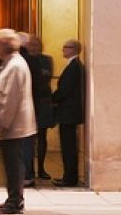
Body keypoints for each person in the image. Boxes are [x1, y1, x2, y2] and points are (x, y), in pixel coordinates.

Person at [0, 27, 36, 215]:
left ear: (3, 45)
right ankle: (13, 199)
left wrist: (1, 124)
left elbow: (11, 99)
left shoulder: (15, 66)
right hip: (14, 123)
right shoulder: (12, 63)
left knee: (13, 163)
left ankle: (15, 201)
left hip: (14, 125)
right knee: (11, 162)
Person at [52, 37, 85, 187]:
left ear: (74, 49)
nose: (63, 49)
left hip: (69, 114)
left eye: (66, 47)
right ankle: (68, 176)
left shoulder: (75, 66)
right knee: (68, 146)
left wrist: (53, 98)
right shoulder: (73, 65)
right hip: (68, 113)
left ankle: (70, 178)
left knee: (69, 147)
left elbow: (65, 89)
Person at [22, 34, 54, 183]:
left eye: (36, 44)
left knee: (42, 136)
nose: (33, 47)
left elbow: (46, 77)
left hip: (42, 102)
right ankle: (28, 170)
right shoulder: (23, 60)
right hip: (29, 102)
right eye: (31, 44)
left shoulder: (46, 60)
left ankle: (41, 168)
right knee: (28, 139)